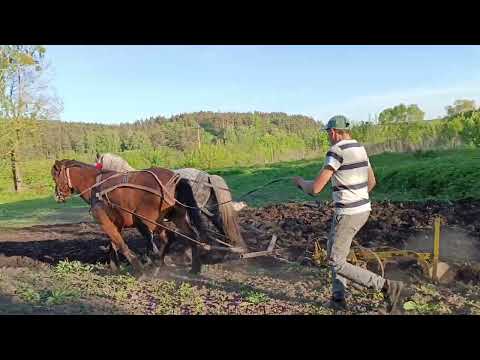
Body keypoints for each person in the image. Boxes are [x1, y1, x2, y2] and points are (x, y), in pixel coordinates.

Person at [292, 115, 411, 314]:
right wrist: (356, 195)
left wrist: (299, 182)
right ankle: (338, 298)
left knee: (335, 260)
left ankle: (386, 286)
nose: (328, 137)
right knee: (339, 251)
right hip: (363, 209)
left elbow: (315, 189)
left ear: (333, 132)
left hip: (347, 213)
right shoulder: (359, 148)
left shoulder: (336, 151)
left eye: (328, 134)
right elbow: (371, 182)